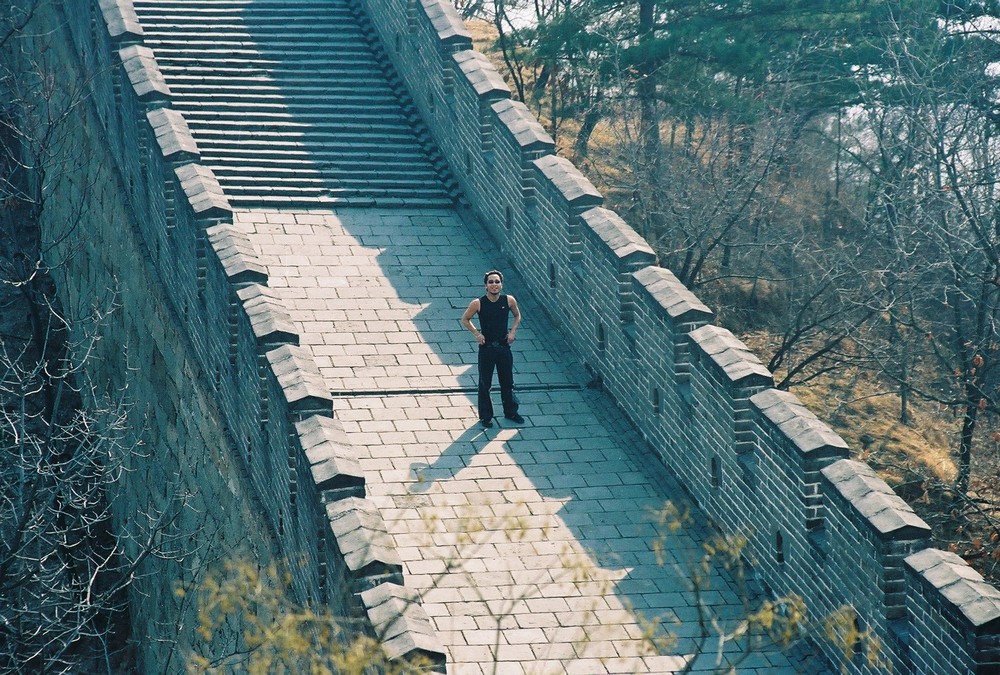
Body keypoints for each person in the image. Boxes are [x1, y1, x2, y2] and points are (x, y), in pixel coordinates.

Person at [460, 269, 524, 428]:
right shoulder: (478, 303)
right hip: (487, 348)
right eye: (491, 282)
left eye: (497, 282)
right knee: (485, 383)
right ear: (485, 286)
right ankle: (486, 416)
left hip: (503, 347)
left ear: (501, 284)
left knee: (507, 382)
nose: (494, 285)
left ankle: (511, 411)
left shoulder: (508, 300)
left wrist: (513, 331)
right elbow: (465, 319)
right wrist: (477, 334)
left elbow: (517, 316)